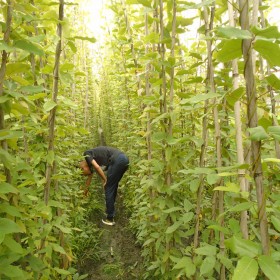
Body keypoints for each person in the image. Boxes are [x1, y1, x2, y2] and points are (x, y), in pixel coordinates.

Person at [80, 146, 129, 226]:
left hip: (118, 159)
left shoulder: (87, 154)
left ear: (82, 167)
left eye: (83, 173)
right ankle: (111, 211)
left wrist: (105, 180)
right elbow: (89, 179)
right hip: (124, 159)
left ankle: (110, 218)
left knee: (109, 187)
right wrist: (84, 194)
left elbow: (97, 167)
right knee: (113, 185)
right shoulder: (89, 165)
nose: (85, 175)